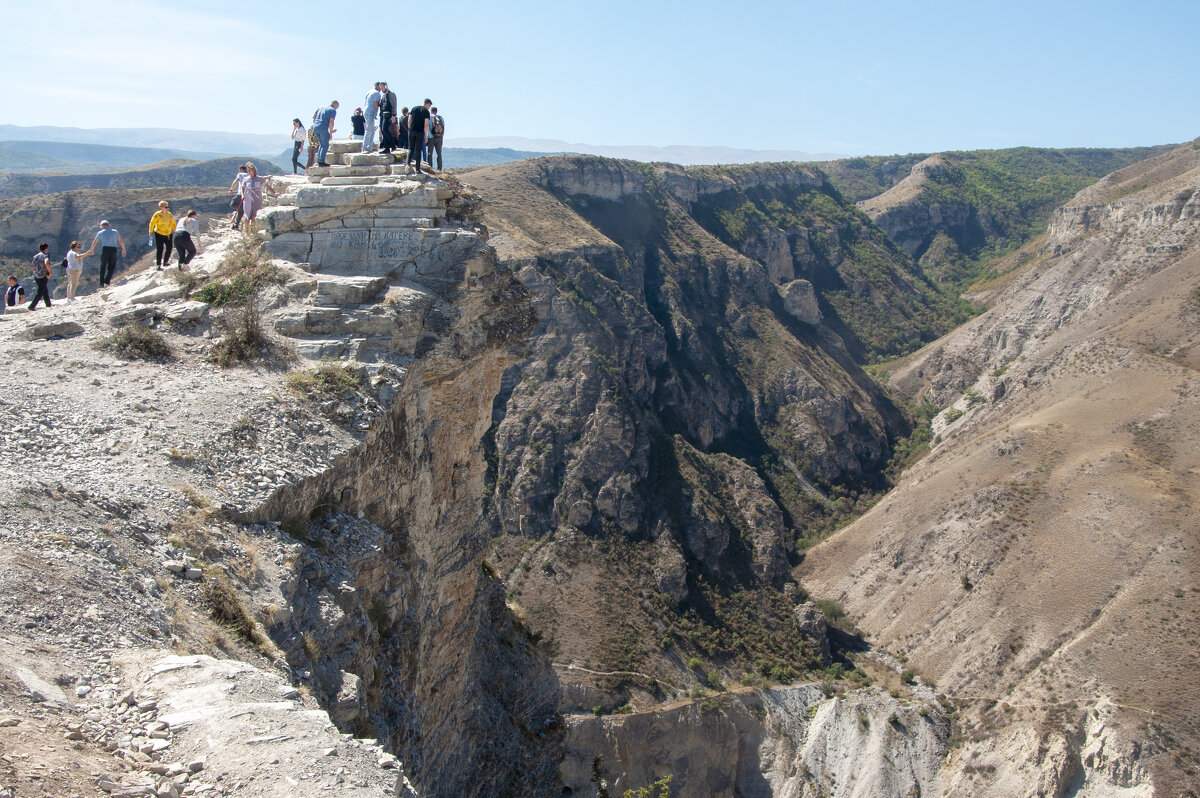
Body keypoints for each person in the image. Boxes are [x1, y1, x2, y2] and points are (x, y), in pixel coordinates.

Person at [83, 220, 126, 287]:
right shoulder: (115, 231)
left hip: (105, 249)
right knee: (111, 266)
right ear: (108, 225)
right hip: (113, 249)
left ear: (102, 226)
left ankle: (101, 282)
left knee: (103, 265)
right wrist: (123, 250)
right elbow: (121, 241)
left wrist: (92, 249)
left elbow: (94, 242)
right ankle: (107, 281)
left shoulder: (100, 232)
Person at [239, 163, 278, 231]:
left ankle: (253, 231)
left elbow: (267, 186)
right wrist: (242, 195)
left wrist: (274, 193)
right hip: (247, 198)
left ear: (254, 171)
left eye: (249, 170)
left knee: (255, 215)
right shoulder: (246, 179)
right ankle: (247, 231)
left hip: (257, 199)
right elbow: (242, 188)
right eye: (247, 171)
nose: (248, 172)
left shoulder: (260, 179)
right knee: (247, 215)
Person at [406, 99, 432, 174]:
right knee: (418, 150)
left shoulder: (414, 108)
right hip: (419, 132)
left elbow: (409, 120)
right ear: (427, 104)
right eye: (429, 106)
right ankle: (417, 169)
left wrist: (409, 129)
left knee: (411, 148)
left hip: (411, 130)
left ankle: (407, 164)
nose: (429, 107)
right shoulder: (426, 112)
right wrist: (426, 136)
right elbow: (426, 125)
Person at [149, 200, 176, 270]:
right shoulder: (157, 215)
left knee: (169, 247)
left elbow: (173, 223)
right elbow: (152, 223)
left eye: (168, 207)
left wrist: (176, 230)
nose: (167, 208)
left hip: (168, 233)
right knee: (160, 249)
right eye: (166, 207)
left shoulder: (169, 214)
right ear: (161, 207)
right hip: (159, 233)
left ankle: (166, 261)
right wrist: (150, 232)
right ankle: (158, 265)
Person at [312, 101, 338, 167]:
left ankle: (319, 160)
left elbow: (314, 117)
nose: (336, 109)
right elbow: (331, 121)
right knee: (325, 145)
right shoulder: (332, 110)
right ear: (335, 105)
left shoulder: (320, 107)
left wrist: (315, 124)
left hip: (315, 127)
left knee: (321, 144)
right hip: (323, 127)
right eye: (336, 107)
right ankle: (321, 162)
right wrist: (331, 132)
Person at [28, 242, 52, 310]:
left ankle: (48, 304)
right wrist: (50, 272)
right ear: (46, 249)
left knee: (44, 289)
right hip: (43, 275)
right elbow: (46, 263)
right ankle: (32, 306)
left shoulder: (35, 256)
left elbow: (32, 266)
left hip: (36, 276)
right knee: (40, 291)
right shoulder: (45, 256)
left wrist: (35, 272)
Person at [379, 83, 399, 154]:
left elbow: (394, 104)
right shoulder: (383, 96)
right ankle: (386, 147)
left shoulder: (391, 94)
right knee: (382, 130)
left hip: (388, 114)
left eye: (383, 87)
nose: (382, 89)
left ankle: (393, 145)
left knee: (385, 129)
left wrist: (394, 115)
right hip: (382, 114)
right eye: (381, 88)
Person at [362, 82, 382, 153]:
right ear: (377, 86)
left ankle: (369, 148)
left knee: (372, 131)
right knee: (369, 131)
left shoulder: (369, 92)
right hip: (370, 113)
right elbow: (376, 104)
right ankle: (365, 148)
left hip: (366, 112)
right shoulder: (377, 93)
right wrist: (383, 105)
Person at [426, 106, 445, 171]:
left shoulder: (430, 118)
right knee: (439, 153)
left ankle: (430, 168)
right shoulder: (440, 118)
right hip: (439, 137)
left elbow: (427, 127)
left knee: (430, 153)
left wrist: (428, 136)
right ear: (436, 111)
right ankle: (439, 168)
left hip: (431, 137)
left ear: (431, 111)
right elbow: (443, 127)